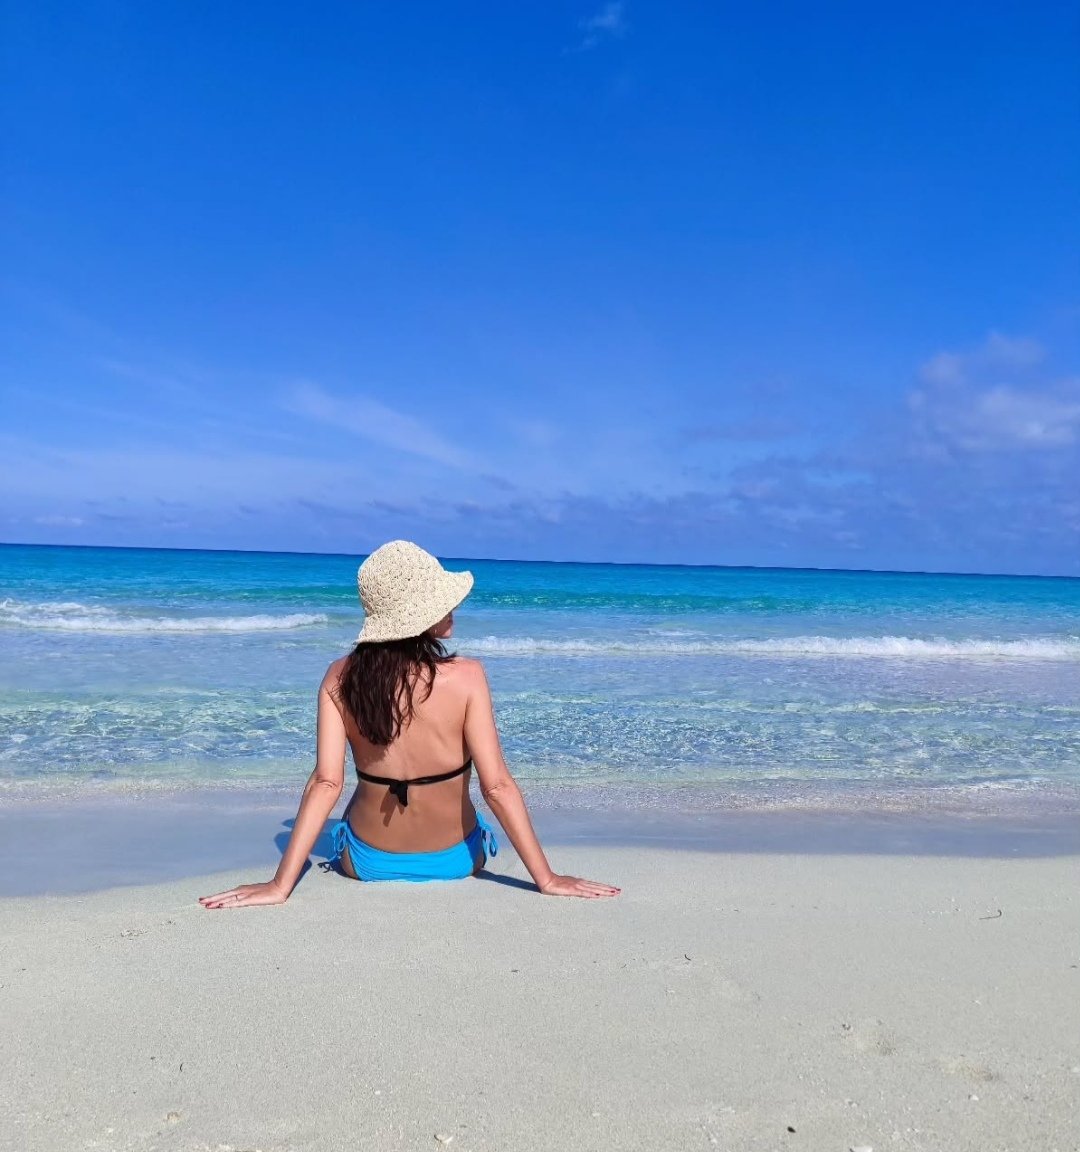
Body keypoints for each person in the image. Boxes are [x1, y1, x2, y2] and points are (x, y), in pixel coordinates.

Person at [201, 541, 620, 908]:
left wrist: (280, 885)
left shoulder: (338, 677)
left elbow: (327, 784)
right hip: (456, 858)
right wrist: (546, 878)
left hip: (365, 862)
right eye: (441, 600)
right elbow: (497, 787)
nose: (453, 607)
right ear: (419, 615)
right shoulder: (468, 676)